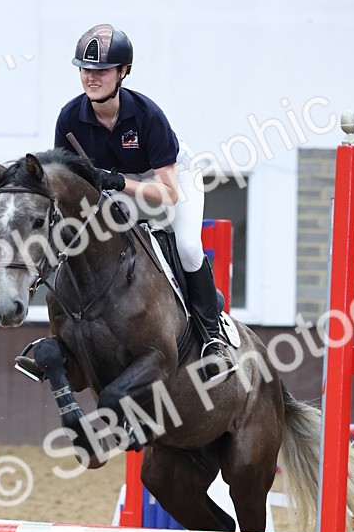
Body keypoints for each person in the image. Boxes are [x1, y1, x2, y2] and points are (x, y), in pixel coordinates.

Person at [53, 23, 235, 380]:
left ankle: (212, 338)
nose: (91, 77)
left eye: (102, 70)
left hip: (171, 178)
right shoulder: (70, 118)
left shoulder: (147, 115)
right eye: (85, 69)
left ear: (123, 71)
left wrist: (119, 181)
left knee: (187, 247)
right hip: (119, 187)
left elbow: (167, 193)